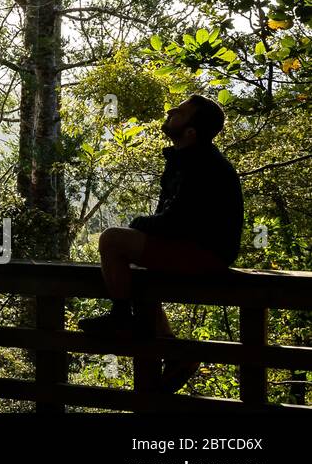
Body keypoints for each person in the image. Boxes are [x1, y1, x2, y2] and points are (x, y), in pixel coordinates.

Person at [77, 94, 244, 393]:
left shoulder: (201, 165)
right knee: (135, 270)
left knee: (113, 240)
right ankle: (173, 351)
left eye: (178, 112)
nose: (170, 112)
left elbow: (175, 222)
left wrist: (137, 226)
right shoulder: (186, 160)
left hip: (205, 253)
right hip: (196, 249)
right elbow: (170, 219)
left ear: (191, 132)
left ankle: (121, 318)